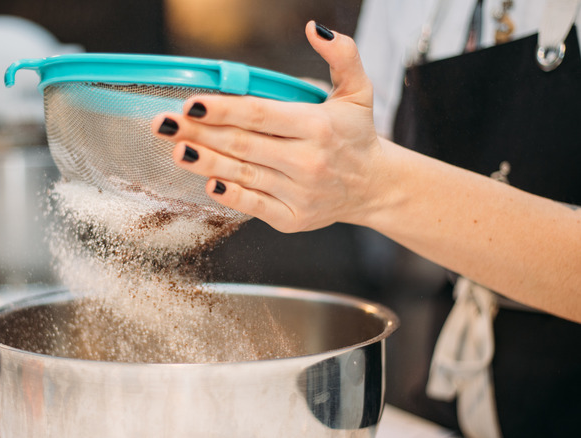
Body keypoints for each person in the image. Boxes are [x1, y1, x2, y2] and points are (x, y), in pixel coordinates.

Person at [152, 19, 581, 437]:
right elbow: (372, 133)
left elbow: (373, 167)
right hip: (464, 400)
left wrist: (373, 185)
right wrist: (282, 135)